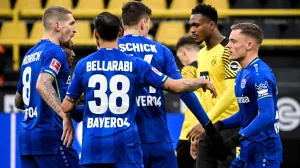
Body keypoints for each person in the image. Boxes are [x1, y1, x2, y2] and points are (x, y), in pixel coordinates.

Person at [61, 12, 217, 168]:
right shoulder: (140, 61)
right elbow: (177, 86)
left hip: (94, 147)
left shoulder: (84, 64)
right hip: (141, 140)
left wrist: (80, 101)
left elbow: (67, 107)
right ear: (120, 31)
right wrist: (200, 84)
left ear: (96, 34)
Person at [119, 2, 222, 168]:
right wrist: (207, 124)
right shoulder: (161, 51)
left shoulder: (112, 51)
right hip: (157, 138)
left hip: (124, 139)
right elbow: (182, 89)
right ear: (143, 23)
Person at [14, 6, 79, 168]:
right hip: (51, 136)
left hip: (27, 139)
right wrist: (64, 116)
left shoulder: (29, 55)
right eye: (71, 24)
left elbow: (18, 101)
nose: (75, 30)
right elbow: (42, 84)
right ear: (57, 26)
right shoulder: (55, 52)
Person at [215, 22, 282, 168]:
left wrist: (235, 139)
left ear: (249, 45)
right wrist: (221, 125)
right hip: (247, 151)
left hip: (264, 152)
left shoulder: (261, 74)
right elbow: (247, 112)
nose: (227, 46)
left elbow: (267, 115)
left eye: (233, 41)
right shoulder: (241, 73)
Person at [188, 3, 240, 168]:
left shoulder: (228, 51)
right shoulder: (201, 54)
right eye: (191, 26)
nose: (192, 30)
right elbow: (205, 96)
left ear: (211, 25)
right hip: (208, 129)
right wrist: (201, 130)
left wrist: (207, 121)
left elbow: (232, 91)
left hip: (228, 128)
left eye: (197, 25)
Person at [175, 34, 201, 168]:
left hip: (190, 133)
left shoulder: (188, 70)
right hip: (210, 129)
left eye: (180, 58)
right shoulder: (211, 67)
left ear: (183, 52)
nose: (181, 62)